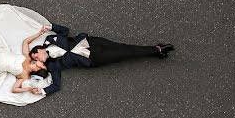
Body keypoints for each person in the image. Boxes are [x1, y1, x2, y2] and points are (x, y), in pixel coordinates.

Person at [29, 23, 174, 95]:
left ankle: (156, 49)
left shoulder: (50, 39)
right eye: (35, 59)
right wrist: (42, 91)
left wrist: (52, 26)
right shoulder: (53, 66)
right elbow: (56, 86)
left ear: (39, 49)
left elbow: (65, 31)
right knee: (124, 53)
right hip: (94, 58)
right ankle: (157, 50)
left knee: (121, 46)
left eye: (35, 54)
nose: (36, 57)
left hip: (92, 42)